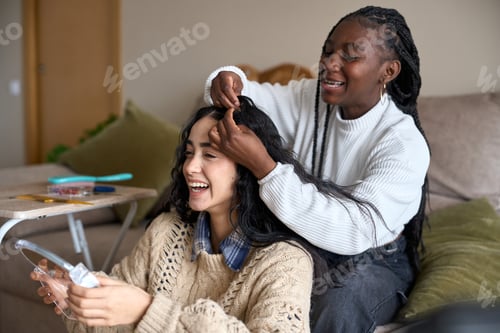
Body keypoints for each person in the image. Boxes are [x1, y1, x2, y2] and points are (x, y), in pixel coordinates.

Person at [32, 96, 366, 332]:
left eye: (210, 155)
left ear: (247, 167)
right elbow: (113, 327)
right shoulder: (165, 231)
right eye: (189, 153)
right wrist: (78, 304)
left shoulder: (285, 261)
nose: (191, 167)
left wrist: (148, 310)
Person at [205, 5, 430, 332]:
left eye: (350, 55)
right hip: (305, 244)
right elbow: (245, 95)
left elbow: (355, 230)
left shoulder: (402, 143)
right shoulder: (310, 98)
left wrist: (265, 168)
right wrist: (226, 79)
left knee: (339, 300)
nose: (329, 64)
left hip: (373, 257)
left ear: (389, 71)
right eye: (327, 52)